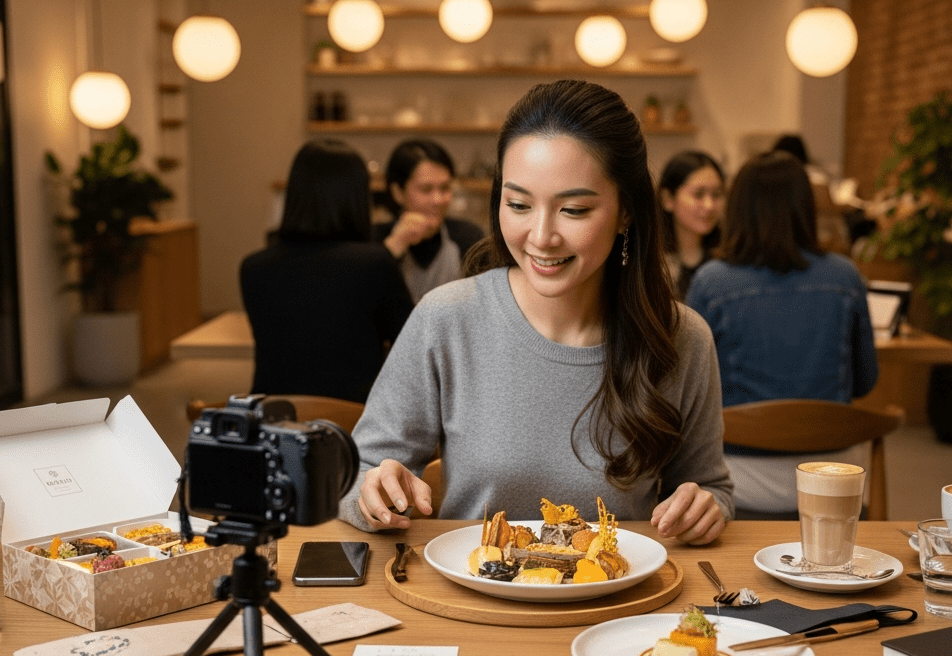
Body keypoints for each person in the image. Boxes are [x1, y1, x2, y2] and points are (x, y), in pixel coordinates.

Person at [339, 80, 733, 545]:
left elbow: (712, 487)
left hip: (619, 605)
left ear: (626, 211)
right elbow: (356, 478)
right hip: (471, 601)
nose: (541, 236)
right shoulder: (445, 319)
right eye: (519, 204)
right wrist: (374, 492)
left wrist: (707, 507)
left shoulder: (682, 337)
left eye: (574, 209)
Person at [685, 150, 878, 518]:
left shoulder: (712, 282)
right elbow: (864, 382)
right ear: (805, 207)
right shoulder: (845, 277)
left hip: (738, 480)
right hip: (833, 480)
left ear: (737, 209)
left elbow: (689, 391)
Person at [239, 139, 413, 404]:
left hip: (275, 424)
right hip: (353, 425)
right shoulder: (374, 263)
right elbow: (411, 344)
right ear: (357, 197)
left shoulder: (252, 268)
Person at [375, 138, 486, 303]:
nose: (438, 199)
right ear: (398, 192)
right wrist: (394, 247)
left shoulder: (468, 237)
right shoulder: (373, 239)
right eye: (426, 189)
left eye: (445, 188)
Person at [657, 150, 726, 299]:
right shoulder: (651, 263)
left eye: (716, 194)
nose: (709, 205)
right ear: (668, 198)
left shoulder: (729, 258)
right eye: (698, 194)